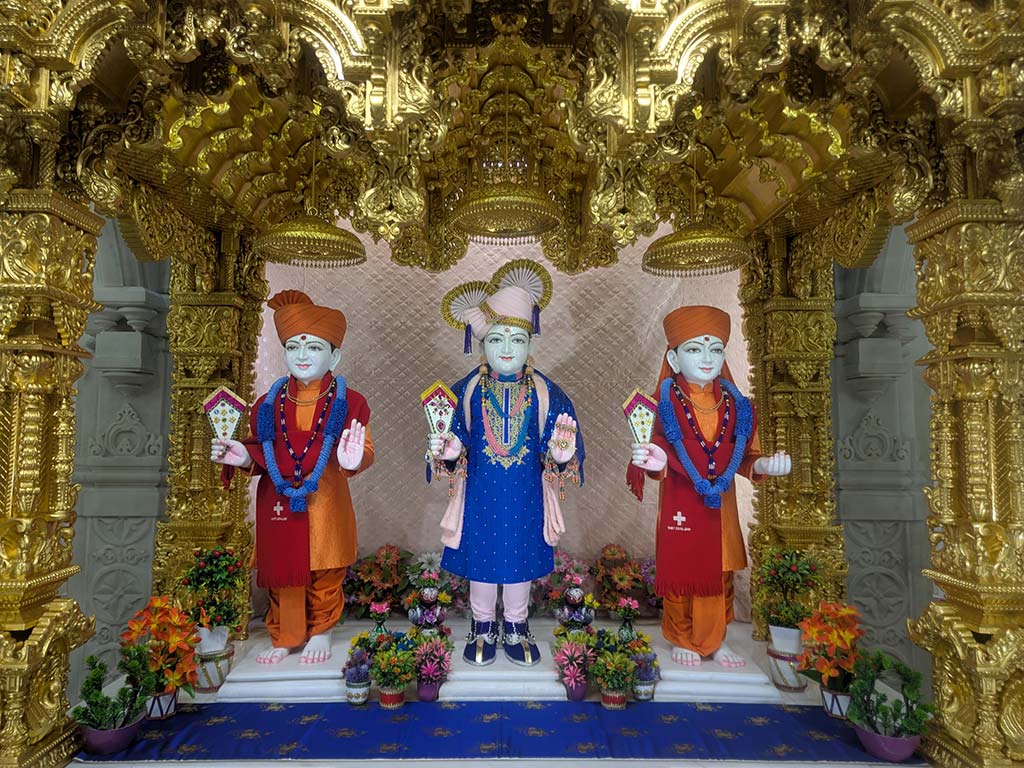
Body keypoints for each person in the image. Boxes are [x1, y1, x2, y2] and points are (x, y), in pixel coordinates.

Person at [428, 261, 583, 667]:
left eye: (517, 338)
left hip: (526, 493)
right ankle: (481, 625)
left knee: (519, 556)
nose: (507, 349)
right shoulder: (465, 391)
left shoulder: (549, 392)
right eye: (496, 339)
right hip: (479, 490)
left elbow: (563, 444)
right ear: (481, 346)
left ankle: (516, 625)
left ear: (531, 344)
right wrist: (447, 451)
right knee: (481, 554)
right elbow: (452, 440)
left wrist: (561, 457)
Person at [211, 290, 373, 665]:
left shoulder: (350, 401)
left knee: (325, 567)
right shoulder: (269, 402)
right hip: (279, 499)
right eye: (294, 347)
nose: (302, 356)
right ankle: (287, 634)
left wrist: (354, 458)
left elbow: (362, 449)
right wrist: (241, 457)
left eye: (313, 348)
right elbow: (259, 450)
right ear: (283, 352)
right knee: (284, 572)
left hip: (325, 497)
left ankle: (321, 631)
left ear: (334, 356)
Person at [629, 305, 790, 667]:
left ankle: (717, 640)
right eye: (694, 349)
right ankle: (682, 636)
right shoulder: (662, 405)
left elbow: (749, 457)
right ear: (673, 356)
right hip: (682, 501)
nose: (706, 358)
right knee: (684, 570)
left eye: (715, 349)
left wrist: (763, 463)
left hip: (721, 504)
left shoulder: (739, 407)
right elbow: (652, 456)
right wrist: (655, 464)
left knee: (720, 571)